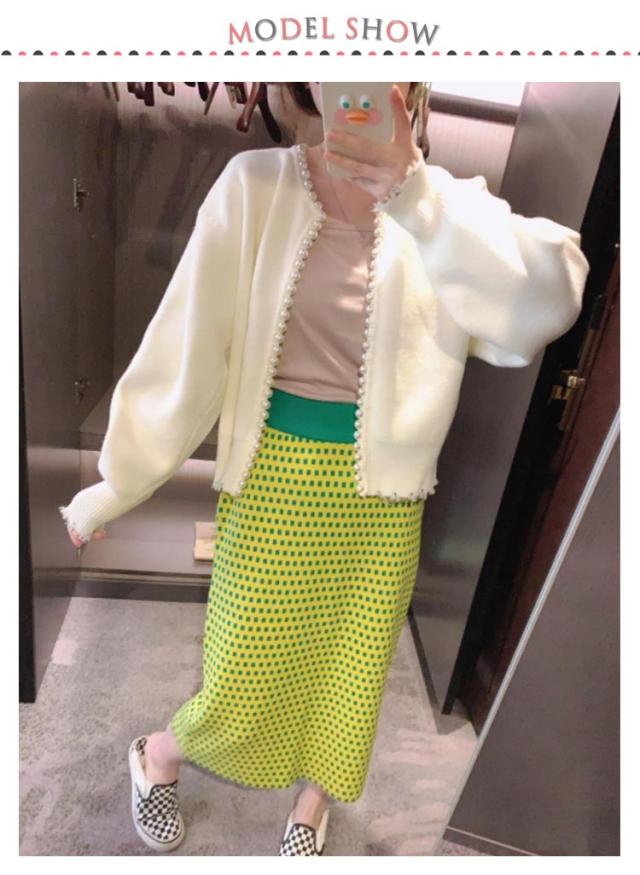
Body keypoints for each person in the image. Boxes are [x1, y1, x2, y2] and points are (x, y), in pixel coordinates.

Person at [59, 81, 590, 856]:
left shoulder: (448, 205)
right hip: (275, 480)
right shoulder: (255, 186)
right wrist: (117, 484)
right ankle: (158, 753)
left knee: (351, 676)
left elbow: (551, 296)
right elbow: (185, 348)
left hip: (385, 503)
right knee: (243, 675)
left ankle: (312, 804)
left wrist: (413, 195)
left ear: (412, 83)